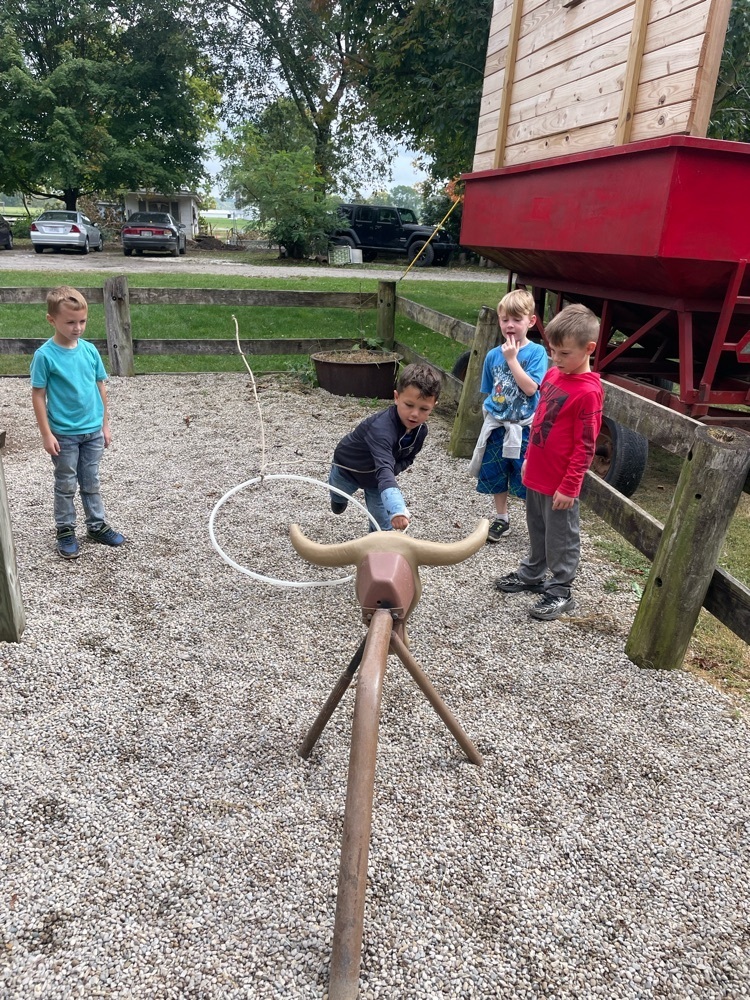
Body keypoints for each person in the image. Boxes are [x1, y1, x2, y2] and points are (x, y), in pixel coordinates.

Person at [495, 303, 603, 621]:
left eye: (564, 353)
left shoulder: (588, 392)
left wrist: (570, 487)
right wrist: (529, 457)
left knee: (561, 536)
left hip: (560, 482)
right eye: (552, 351)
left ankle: (560, 589)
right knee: (537, 527)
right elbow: (541, 418)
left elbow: (585, 446)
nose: (555, 359)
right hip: (538, 472)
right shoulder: (555, 374)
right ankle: (532, 574)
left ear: (589, 349)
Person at [30, 286, 126, 559]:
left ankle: (96, 525)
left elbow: (100, 387)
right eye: (70, 322)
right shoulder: (45, 356)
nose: (78, 327)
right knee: (65, 484)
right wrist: (46, 434)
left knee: (91, 481)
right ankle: (65, 529)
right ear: (52, 320)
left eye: (82, 321)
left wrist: (104, 425)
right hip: (64, 434)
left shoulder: (90, 351)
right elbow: (38, 395)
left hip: (92, 432)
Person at [469, 289, 548, 542]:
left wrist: (512, 359)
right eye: (505, 320)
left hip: (524, 427)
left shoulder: (537, 353)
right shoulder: (493, 355)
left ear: (531, 321)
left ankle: (535, 522)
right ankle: (502, 518)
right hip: (499, 426)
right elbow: (490, 390)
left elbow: (531, 388)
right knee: (497, 473)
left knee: (526, 475)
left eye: (517, 319)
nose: (510, 325)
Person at [328, 363, 442, 531]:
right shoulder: (381, 428)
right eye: (409, 405)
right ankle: (338, 499)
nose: (415, 414)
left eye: (424, 409)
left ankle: (377, 543)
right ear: (396, 397)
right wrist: (396, 505)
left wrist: (393, 472)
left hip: (378, 480)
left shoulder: (421, 432)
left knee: (382, 524)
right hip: (348, 468)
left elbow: (409, 458)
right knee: (339, 496)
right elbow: (384, 466)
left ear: (433, 406)